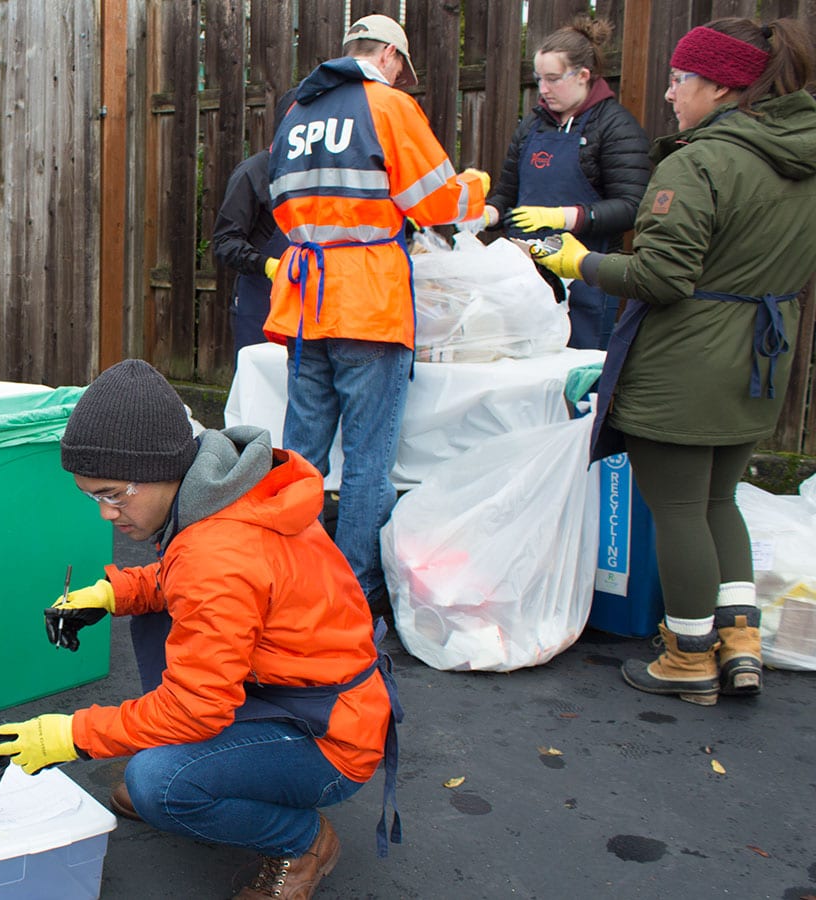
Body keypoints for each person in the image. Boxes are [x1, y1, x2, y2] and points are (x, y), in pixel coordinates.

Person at [0, 359, 399, 900]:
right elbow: (188, 578)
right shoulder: (223, 492)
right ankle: (214, 767)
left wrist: (70, 736)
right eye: (93, 497)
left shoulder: (216, 550)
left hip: (329, 738)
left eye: (113, 493)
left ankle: (301, 843)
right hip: (303, 694)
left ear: (161, 469)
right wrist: (113, 593)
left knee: (160, 783)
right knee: (160, 650)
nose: (106, 515)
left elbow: (195, 701)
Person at [529, 17, 816, 706]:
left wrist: (581, 261)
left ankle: (688, 655)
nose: (668, 93)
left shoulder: (700, 162)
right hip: (760, 357)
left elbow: (663, 275)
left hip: (687, 358)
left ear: (721, 86)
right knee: (722, 499)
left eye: (681, 79)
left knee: (679, 508)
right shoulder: (799, 159)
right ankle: (739, 642)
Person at [265, 14, 489, 614]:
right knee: (367, 460)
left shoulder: (297, 113)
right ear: (389, 56)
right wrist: (477, 188)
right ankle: (354, 590)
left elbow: (282, 203)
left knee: (301, 455)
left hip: (304, 303)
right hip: (368, 301)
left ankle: (290, 578)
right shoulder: (387, 106)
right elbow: (438, 202)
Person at [483, 16, 651, 350]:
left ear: (583, 76)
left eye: (553, 79)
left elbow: (633, 206)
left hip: (586, 284)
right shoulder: (532, 126)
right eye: (539, 79)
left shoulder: (615, 127)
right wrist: (485, 213)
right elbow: (507, 192)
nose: (543, 89)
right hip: (523, 281)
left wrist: (563, 217)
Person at [212, 149, 290, 360]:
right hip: (260, 303)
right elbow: (225, 241)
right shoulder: (253, 172)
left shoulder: (315, 173)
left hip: (309, 307)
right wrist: (267, 265)